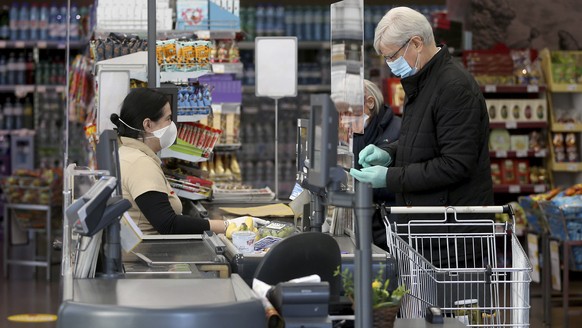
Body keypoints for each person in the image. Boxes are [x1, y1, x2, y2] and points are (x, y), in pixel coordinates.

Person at [350, 7, 494, 261]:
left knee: (449, 301)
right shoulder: (422, 82)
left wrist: (390, 178)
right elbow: (421, 141)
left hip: (453, 238)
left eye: (391, 56)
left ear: (415, 43)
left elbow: (456, 164)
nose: (389, 64)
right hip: (429, 231)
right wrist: (388, 153)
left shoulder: (453, 87)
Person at [110, 88, 228, 235]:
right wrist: (225, 226)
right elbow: (167, 223)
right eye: (168, 119)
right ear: (148, 125)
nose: (172, 125)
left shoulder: (127, 152)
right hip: (147, 253)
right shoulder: (140, 163)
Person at [353, 79, 401, 250]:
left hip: (390, 226)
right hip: (365, 222)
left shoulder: (398, 130)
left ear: (370, 102)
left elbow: (404, 179)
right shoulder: (356, 132)